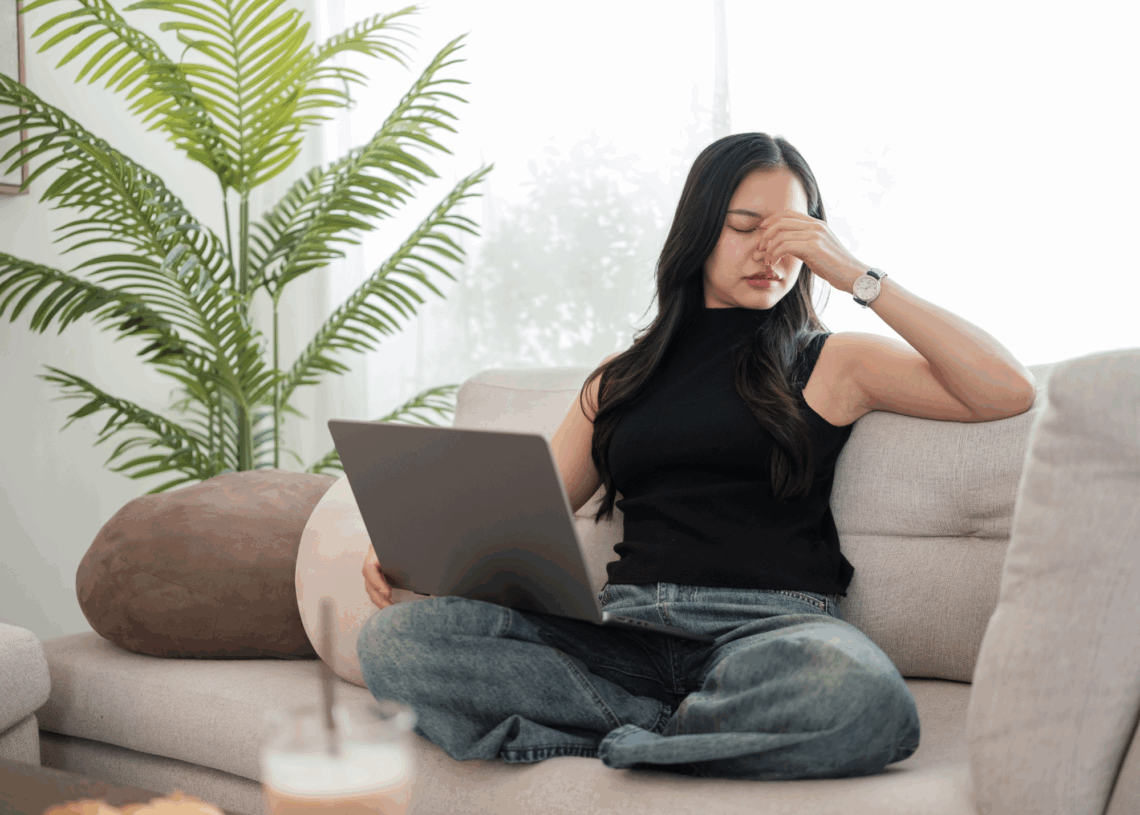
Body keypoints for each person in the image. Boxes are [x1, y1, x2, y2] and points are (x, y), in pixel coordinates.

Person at [356, 132, 1037, 780]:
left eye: (793, 236)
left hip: (770, 637)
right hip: (626, 639)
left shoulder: (832, 361)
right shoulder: (617, 379)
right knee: (396, 641)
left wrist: (855, 273)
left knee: (864, 700)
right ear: (700, 228)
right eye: (747, 226)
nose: (770, 251)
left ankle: (632, 738)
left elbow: (1005, 388)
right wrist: (414, 547)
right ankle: (669, 733)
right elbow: (521, 513)